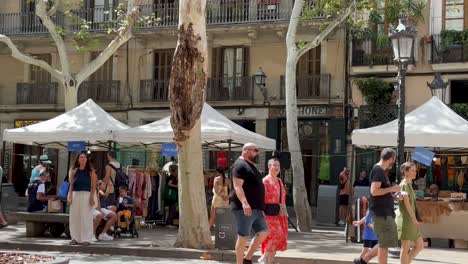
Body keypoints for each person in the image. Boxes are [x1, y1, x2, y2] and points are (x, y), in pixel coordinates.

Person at [356, 148, 401, 264]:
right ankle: (363, 260)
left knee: (385, 242)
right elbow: (374, 191)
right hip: (381, 213)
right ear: (391, 159)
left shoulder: (380, 171)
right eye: (394, 160)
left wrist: (393, 196)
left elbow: (380, 192)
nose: (393, 163)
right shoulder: (378, 170)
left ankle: (363, 260)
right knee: (385, 243)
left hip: (384, 212)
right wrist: (392, 188)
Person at [231, 143, 268, 264]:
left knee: (263, 232)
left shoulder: (251, 165)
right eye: (255, 150)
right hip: (245, 208)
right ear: (246, 151)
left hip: (257, 209)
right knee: (243, 237)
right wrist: (245, 203)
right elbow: (237, 187)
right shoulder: (239, 165)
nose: (258, 153)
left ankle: (247, 259)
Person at [259, 158, 288, 264]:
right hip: (268, 213)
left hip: (280, 212)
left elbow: (282, 197)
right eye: (274, 165)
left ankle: (269, 261)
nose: (276, 167)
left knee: (277, 238)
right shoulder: (265, 181)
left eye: (278, 166)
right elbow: (260, 199)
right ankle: (264, 256)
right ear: (269, 167)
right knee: (276, 235)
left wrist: (284, 212)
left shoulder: (279, 180)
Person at [67, 152, 97, 246]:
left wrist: (92, 198)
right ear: (78, 159)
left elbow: (93, 186)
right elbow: (71, 185)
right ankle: (75, 238)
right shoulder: (74, 172)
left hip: (87, 195)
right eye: (81, 157)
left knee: (86, 217)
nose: (83, 159)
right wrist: (70, 197)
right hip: (76, 195)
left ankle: (87, 239)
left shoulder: (91, 172)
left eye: (84, 157)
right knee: (74, 217)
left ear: (87, 159)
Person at [397, 162, 424, 264]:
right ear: (406, 172)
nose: (415, 172)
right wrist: (414, 219)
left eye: (415, 170)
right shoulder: (403, 185)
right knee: (405, 247)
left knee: (420, 245)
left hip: (411, 220)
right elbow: (407, 205)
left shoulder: (409, 184)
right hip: (406, 220)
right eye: (413, 170)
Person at [353, 198, 378, 264]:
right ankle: (359, 261)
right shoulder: (371, 210)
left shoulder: (375, 210)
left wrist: (359, 222)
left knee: (376, 250)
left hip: (374, 236)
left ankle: (361, 260)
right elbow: (368, 223)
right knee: (365, 250)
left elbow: (365, 218)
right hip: (368, 236)